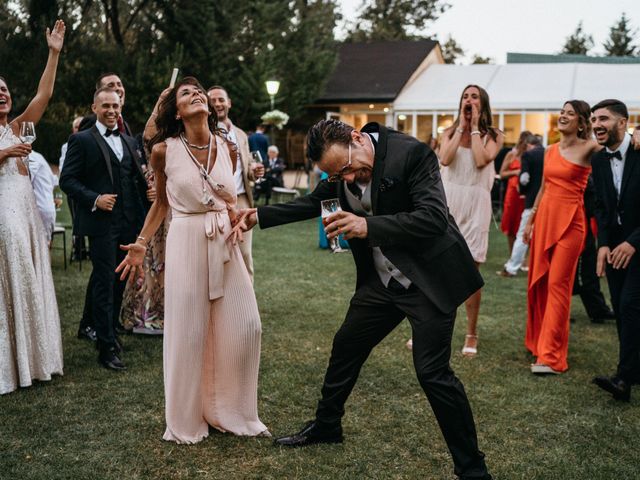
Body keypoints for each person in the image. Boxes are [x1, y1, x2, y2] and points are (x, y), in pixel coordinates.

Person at [244, 119, 491, 480]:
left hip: (428, 280)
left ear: (357, 138)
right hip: (382, 283)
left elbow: (433, 218)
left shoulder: (412, 154)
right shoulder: (340, 170)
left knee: (432, 373)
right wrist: (258, 215)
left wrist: (367, 227)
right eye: (336, 175)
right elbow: (317, 201)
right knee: (347, 345)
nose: (345, 178)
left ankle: (473, 469)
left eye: (345, 168)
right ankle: (328, 426)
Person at [116, 77, 268, 443]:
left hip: (224, 242)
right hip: (184, 239)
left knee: (247, 326)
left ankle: (231, 411)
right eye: (186, 93)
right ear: (177, 111)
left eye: (198, 90)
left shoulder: (228, 147)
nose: (196, 94)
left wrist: (235, 216)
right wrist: (141, 242)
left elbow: (230, 200)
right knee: (189, 334)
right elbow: (162, 203)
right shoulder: (163, 151)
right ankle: (186, 420)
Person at [60, 87, 151, 371]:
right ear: (94, 108)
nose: (112, 111)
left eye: (115, 106)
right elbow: (67, 180)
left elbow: (133, 177)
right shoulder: (82, 140)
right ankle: (105, 346)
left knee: (120, 281)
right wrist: (95, 199)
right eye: (106, 106)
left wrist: (147, 192)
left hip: (129, 223)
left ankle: (109, 332)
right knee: (103, 283)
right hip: (102, 225)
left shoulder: (127, 140)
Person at [0, 20, 65, 395]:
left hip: (24, 219)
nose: (2, 94)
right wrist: (5, 151)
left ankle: (34, 361)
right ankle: (10, 365)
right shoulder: (8, 140)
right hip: (3, 224)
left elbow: (43, 96)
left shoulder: (21, 126)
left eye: (5, 89)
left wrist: (53, 54)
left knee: (29, 280)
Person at [523, 100, 598, 375]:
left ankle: (551, 357)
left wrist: (633, 134)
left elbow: (616, 146)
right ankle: (538, 343)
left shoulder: (589, 147)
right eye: (562, 112)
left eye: (571, 114)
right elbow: (543, 188)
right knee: (540, 282)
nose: (564, 116)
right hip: (544, 220)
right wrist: (530, 221)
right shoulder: (550, 150)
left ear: (581, 122)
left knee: (558, 285)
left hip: (571, 224)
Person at [437, 85, 504, 357]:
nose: (469, 100)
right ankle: (431, 328)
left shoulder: (495, 136)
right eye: (465, 96)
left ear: (483, 103)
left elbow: (480, 160)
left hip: (476, 206)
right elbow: (445, 158)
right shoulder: (448, 132)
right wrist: (462, 128)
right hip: (449, 204)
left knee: (469, 274)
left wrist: (475, 127)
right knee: (438, 271)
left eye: (474, 97)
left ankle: (471, 334)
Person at [590, 99, 640, 401]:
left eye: (604, 119)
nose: (596, 124)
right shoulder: (598, 160)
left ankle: (623, 380)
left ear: (623, 123)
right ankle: (634, 369)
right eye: (594, 119)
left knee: (630, 304)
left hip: (637, 242)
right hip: (615, 245)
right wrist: (604, 244)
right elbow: (602, 207)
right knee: (622, 306)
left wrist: (633, 242)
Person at [207, 85, 264, 278]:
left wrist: (254, 171)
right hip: (215, 203)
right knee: (220, 255)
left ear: (229, 103)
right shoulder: (205, 133)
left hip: (242, 201)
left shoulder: (240, 134)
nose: (217, 104)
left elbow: (246, 167)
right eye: (212, 101)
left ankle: (249, 304)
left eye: (221, 99)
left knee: (245, 254)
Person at [497, 135, 544, 277]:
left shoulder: (528, 155)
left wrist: (523, 191)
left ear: (529, 145)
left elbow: (524, 179)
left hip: (531, 201)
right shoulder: (550, 153)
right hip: (548, 202)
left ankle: (511, 268)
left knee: (523, 234)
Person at [571, 175, 615, 323]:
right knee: (585, 272)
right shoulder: (584, 176)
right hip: (578, 227)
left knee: (585, 272)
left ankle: (597, 309)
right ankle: (597, 310)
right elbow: (591, 207)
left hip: (581, 226)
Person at [499, 131, 529, 255]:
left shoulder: (530, 156)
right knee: (511, 225)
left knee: (524, 226)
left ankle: (524, 257)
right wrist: (516, 172)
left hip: (526, 194)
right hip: (512, 194)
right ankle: (513, 255)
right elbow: (502, 173)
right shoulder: (511, 155)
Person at [28, 150, 58, 241]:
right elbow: (54, 181)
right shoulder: (38, 156)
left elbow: (25, 180)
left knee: (40, 248)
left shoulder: (30, 157)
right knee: (44, 247)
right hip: (47, 208)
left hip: (38, 210)